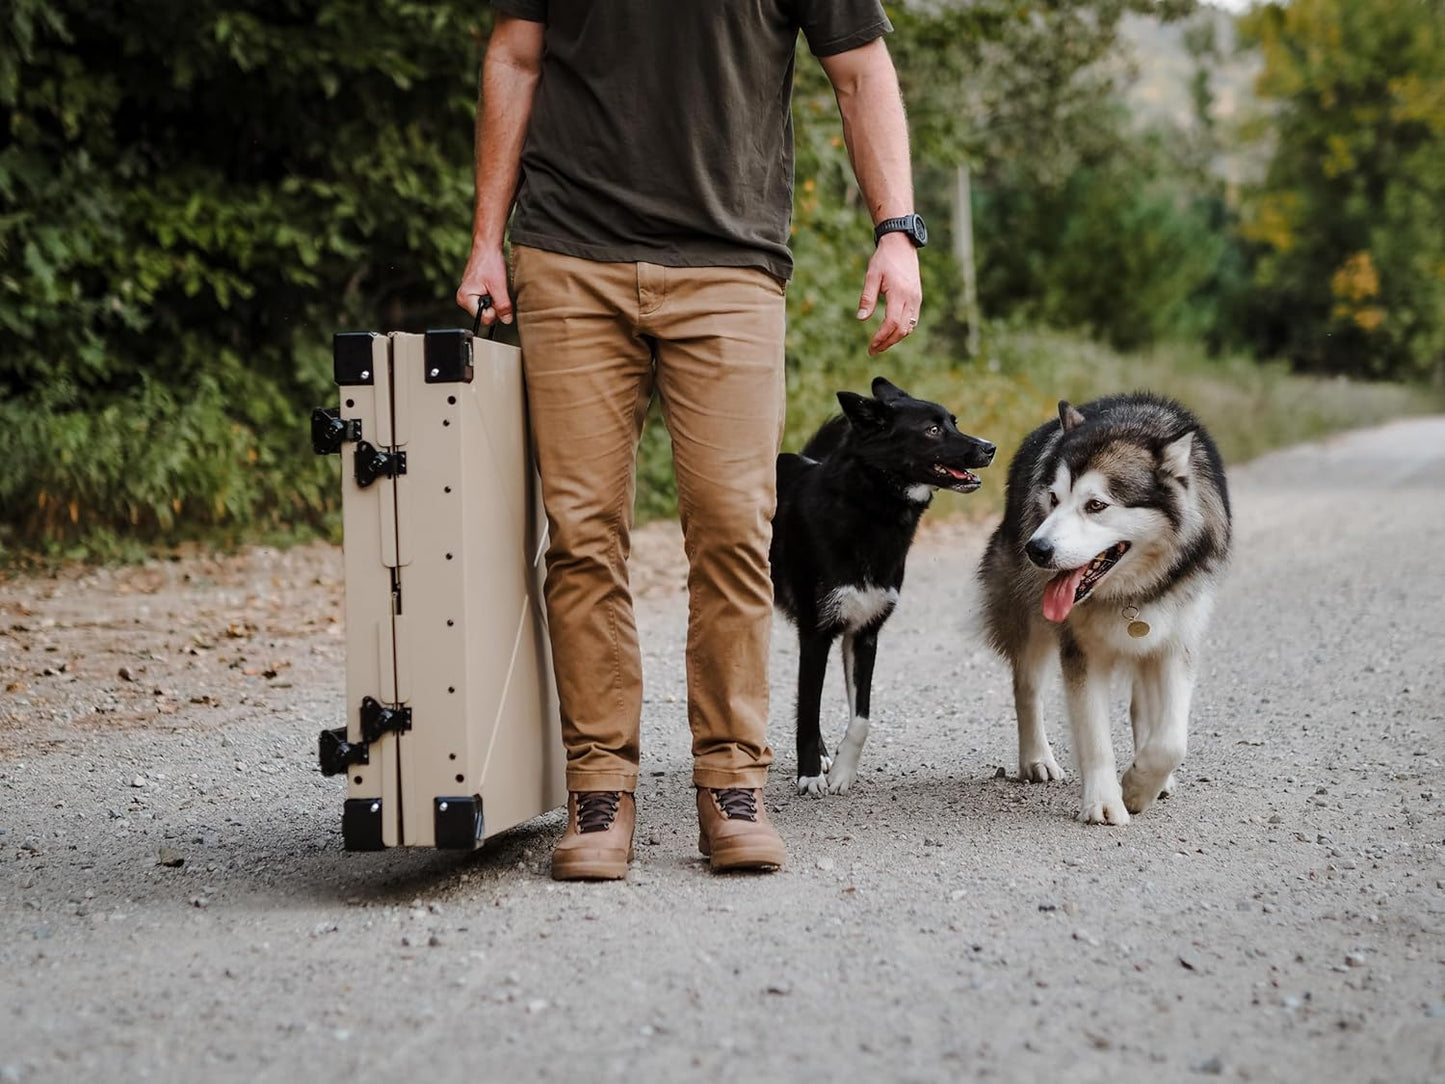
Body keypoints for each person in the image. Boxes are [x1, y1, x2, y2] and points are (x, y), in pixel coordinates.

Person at [456, 1, 925, 880]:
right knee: (582, 533)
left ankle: (730, 784)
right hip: (570, 255)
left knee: (735, 529)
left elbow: (861, 70)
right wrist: (486, 241)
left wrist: (895, 232)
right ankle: (600, 791)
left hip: (731, 265)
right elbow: (514, 57)